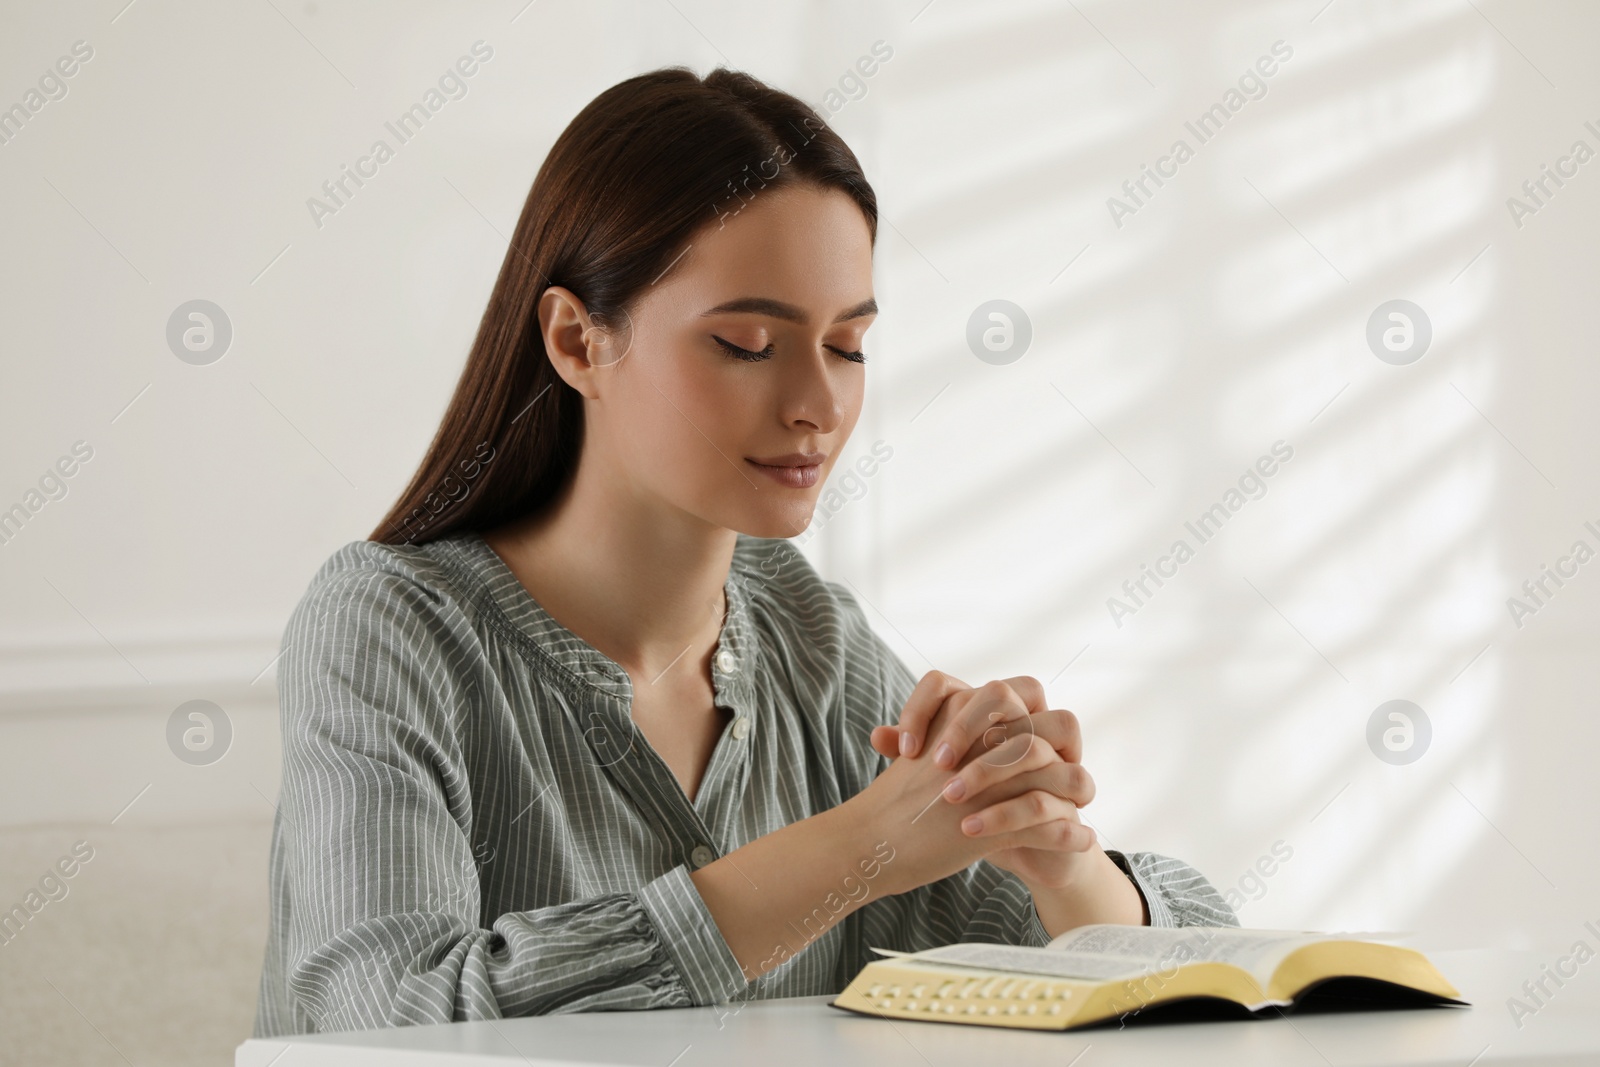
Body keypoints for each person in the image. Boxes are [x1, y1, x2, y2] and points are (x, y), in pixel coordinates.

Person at [251, 65, 1236, 1038]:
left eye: (848, 347)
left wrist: (1055, 856)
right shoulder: (387, 623)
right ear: (577, 339)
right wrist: (860, 843)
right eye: (747, 344)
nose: (817, 403)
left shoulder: (808, 635)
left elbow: (1168, 971)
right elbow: (387, 1018)